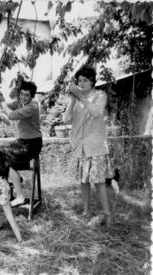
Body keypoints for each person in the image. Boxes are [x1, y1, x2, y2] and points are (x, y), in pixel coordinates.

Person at [63, 64, 114, 226]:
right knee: (83, 181)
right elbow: (66, 119)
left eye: (85, 80)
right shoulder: (77, 100)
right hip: (80, 146)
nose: (81, 84)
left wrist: (81, 97)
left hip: (96, 146)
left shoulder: (100, 95)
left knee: (98, 181)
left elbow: (96, 112)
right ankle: (86, 210)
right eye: (79, 81)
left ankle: (107, 214)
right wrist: (72, 100)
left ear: (92, 81)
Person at [0, 80, 43, 207]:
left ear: (32, 96)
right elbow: (7, 106)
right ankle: (16, 178)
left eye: (27, 95)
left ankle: (20, 196)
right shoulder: (20, 102)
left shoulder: (32, 106)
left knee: (4, 157)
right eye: (22, 94)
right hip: (22, 141)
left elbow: (11, 115)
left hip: (32, 144)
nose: (23, 97)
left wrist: (2, 102)